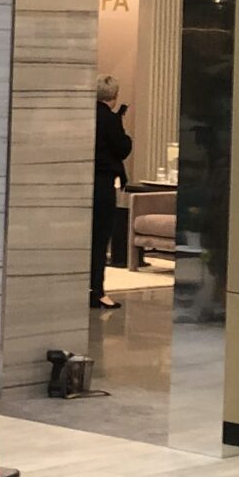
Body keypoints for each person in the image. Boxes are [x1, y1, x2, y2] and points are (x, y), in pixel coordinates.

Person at [91, 74, 131, 312]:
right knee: (100, 238)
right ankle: (97, 291)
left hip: (83, 182)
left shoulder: (85, 114)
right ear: (114, 96)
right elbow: (122, 147)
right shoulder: (109, 119)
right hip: (103, 183)